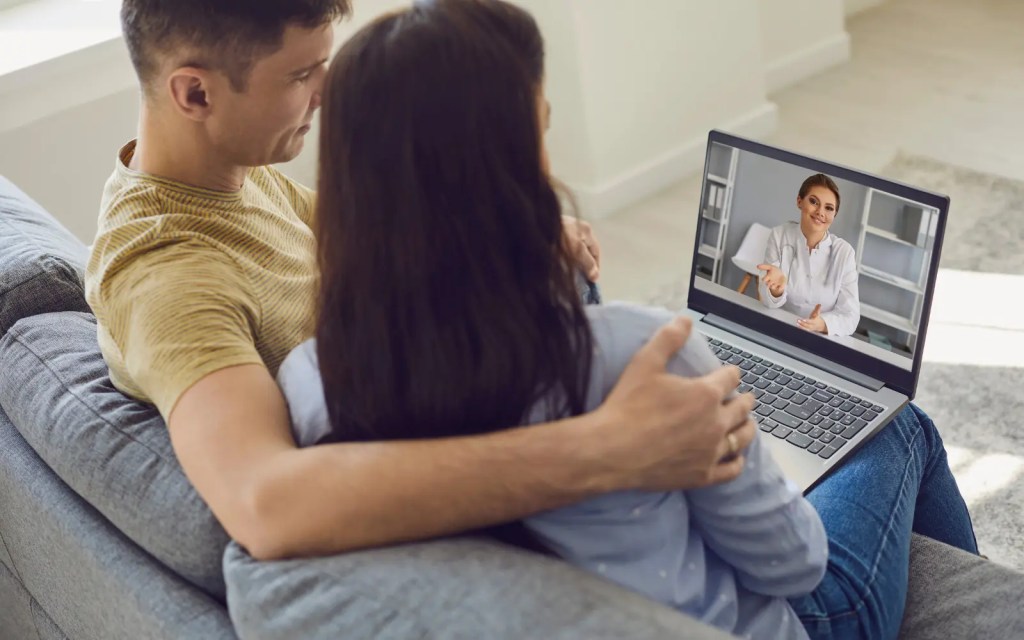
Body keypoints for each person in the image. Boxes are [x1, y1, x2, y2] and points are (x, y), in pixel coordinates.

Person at [277, 1, 979, 638]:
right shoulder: (644, 354)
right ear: (513, 163)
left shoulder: (312, 379)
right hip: (784, 623)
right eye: (541, 131)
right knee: (899, 428)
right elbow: (795, 565)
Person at [83, 0, 757, 561]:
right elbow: (267, 504)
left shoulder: (238, 174)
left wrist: (522, 228)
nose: (327, 92)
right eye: (302, 74)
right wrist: (614, 449)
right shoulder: (165, 275)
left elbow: (394, 246)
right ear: (194, 91)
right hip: (495, 523)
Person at [757, 174, 860, 337]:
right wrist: (776, 291)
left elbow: (851, 316)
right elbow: (766, 300)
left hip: (820, 338)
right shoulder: (779, 235)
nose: (820, 212)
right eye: (813, 202)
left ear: (834, 215)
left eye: (829, 208)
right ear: (799, 201)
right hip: (778, 330)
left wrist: (823, 324)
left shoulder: (845, 253)